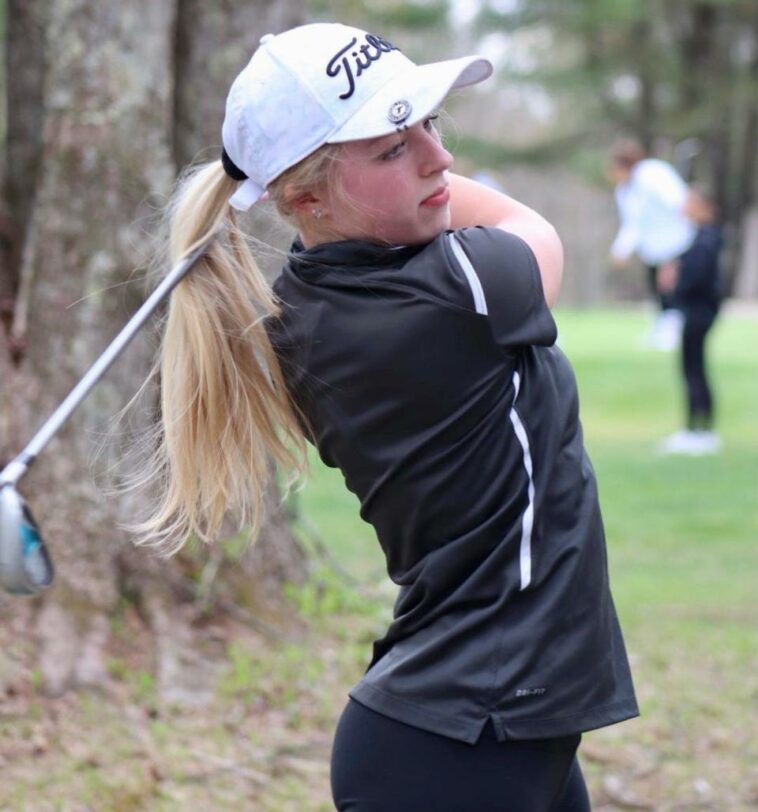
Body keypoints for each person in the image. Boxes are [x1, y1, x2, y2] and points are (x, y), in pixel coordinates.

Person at [137, 23, 638, 811]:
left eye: (430, 124)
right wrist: (432, 188)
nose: (439, 159)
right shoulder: (454, 291)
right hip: (466, 740)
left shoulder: (301, 310)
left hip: (479, 726)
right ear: (303, 197)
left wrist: (398, 172)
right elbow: (533, 231)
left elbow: (412, 213)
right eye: (392, 146)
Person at [607, 138, 696, 350]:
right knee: (658, 290)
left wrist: (675, 254)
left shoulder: (653, 175)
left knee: (672, 290)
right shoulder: (624, 191)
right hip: (654, 249)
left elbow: (678, 202)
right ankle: (663, 327)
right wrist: (620, 250)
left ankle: (673, 331)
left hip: (676, 243)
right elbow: (633, 223)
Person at [658, 186, 723, 455]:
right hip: (697, 311)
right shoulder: (701, 237)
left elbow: (696, 277)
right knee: (692, 368)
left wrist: (675, 285)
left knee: (693, 368)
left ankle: (699, 429)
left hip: (699, 312)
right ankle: (696, 427)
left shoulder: (707, 239)